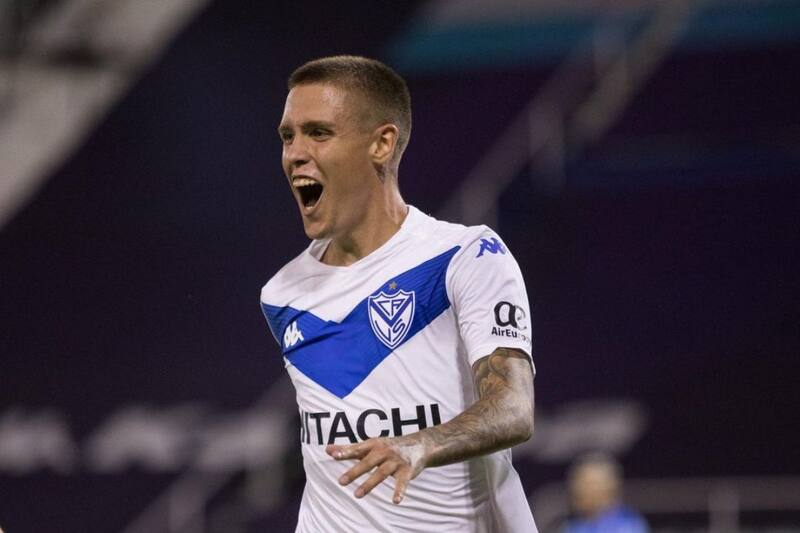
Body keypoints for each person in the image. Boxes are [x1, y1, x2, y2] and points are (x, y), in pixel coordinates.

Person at [260, 55, 537, 532]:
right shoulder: (282, 294)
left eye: (318, 133)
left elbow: (514, 408)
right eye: (288, 136)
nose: (295, 153)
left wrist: (420, 444)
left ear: (382, 144)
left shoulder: (464, 256)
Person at [563, 454, 649, 533]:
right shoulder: (574, 526)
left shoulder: (629, 524)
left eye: (588, 484)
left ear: (609, 487)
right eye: (577, 482)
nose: (579, 489)